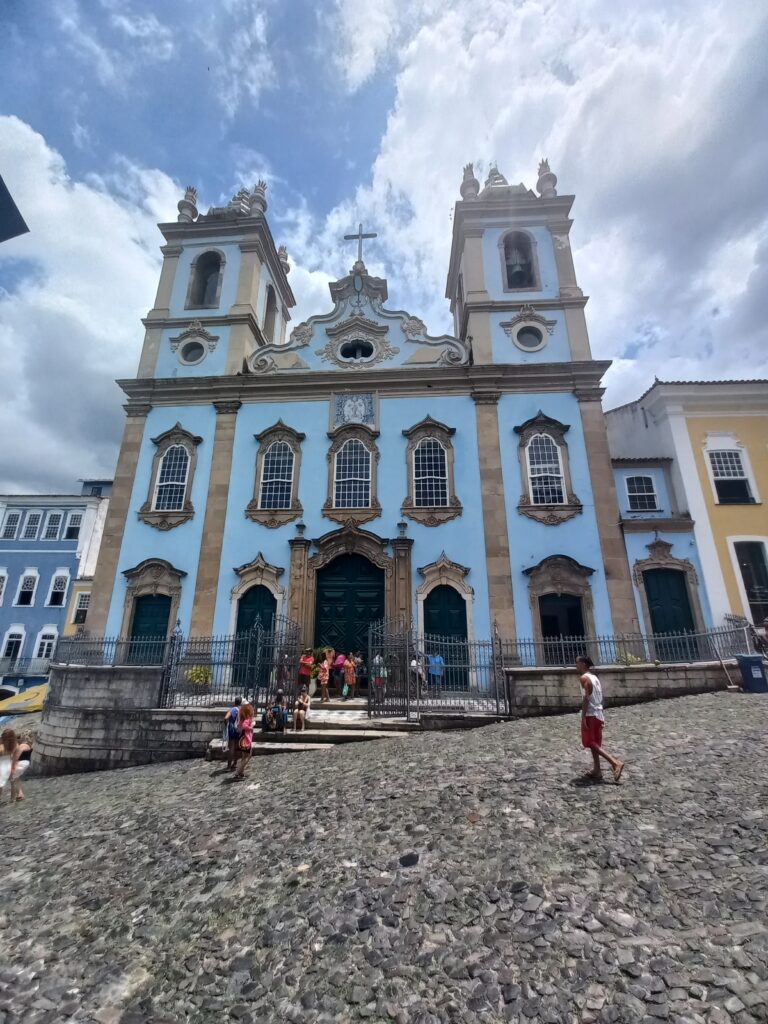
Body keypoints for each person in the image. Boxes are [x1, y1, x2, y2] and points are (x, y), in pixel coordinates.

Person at [576, 655, 624, 783]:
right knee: (595, 743)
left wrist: (583, 718)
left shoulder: (584, 678)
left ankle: (615, 762)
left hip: (591, 714)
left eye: (578, 663)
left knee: (590, 742)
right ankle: (597, 770)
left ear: (584, 665)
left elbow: (586, 698)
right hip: (599, 712)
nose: (576, 666)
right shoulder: (594, 677)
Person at [0, 728, 32, 803]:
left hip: (21, 762)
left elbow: (15, 761)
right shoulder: (10, 743)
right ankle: (19, 795)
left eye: (5, 739)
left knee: (11, 777)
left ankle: (13, 798)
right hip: (20, 761)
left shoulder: (17, 746)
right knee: (14, 777)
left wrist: (11, 772)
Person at [234, 702, 255, 779]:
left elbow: (241, 725)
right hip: (246, 739)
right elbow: (244, 726)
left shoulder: (242, 718)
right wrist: (251, 727)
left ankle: (241, 772)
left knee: (244, 756)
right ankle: (238, 772)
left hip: (242, 738)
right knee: (248, 755)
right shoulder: (247, 719)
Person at [223, 697, 242, 770]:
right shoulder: (241, 710)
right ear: (240, 703)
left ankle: (228, 766)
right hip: (238, 730)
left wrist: (226, 725)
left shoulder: (232, 709)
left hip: (232, 729)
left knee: (231, 748)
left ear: (234, 702)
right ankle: (235, 763)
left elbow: (225, 718)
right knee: (236, 748)